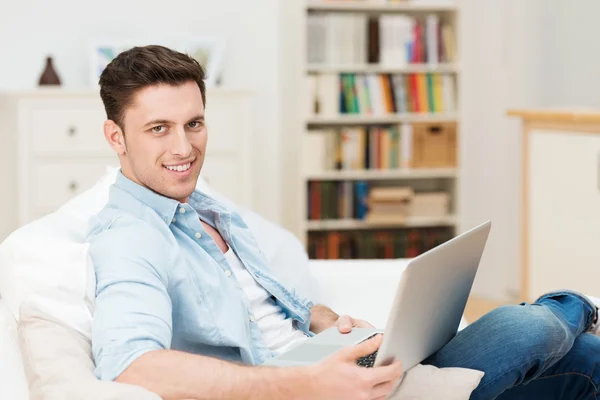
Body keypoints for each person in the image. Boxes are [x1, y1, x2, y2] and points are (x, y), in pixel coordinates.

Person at [88, 45, 600, 400]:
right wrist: (301, 385)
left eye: (194, 123)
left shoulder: (205, 206)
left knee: (585, 358)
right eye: (159, 129)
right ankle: (580, 305)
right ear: (116, 137)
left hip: (329, 370)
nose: (184, 147)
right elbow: (132, 364)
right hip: (299, 393)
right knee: (527, 324)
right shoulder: (129, 235)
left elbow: (260, 307)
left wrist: (326, 323)